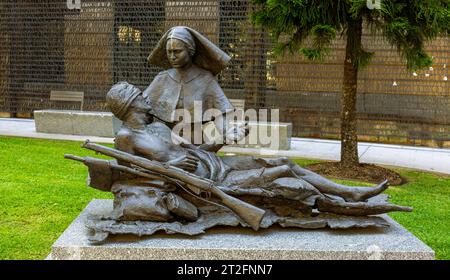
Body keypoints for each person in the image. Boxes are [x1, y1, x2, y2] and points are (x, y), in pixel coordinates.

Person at [106, 82, 411, 220]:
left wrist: (226, 136)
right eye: (139, 95)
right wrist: (172, 173)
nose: (146, 96)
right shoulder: (124, 138)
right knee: (280, 173)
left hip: (215, 164)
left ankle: (348, 192)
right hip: (208, 185)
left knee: (282, 160)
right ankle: (341, 202)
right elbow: (133, 177)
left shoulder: (157, 128)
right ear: (129, 104)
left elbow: (197, 150)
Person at [143, 26, 236, 145]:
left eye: (177, 51)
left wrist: (228, 131)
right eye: (169, 52)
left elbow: (219, 115)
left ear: (190, 50)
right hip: (164, 143)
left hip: (195, 144)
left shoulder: (206, 79)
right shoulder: (162, 78)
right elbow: (141, 111)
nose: (172, 57)